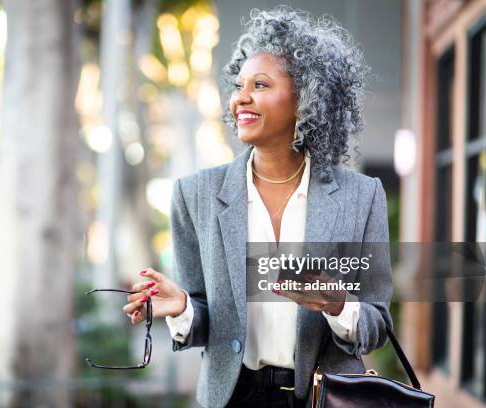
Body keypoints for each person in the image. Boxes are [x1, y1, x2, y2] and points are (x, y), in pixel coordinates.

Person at [123, 6, 392, 408]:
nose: (241, 98)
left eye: (261, 84)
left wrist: (338, 305)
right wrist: (182, 308)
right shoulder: (194, 194)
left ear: (307, 98)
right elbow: (203, 314)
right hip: (232, 397)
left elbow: (377, 326)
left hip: (325, 398)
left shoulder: (362, 196)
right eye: (239, 84)